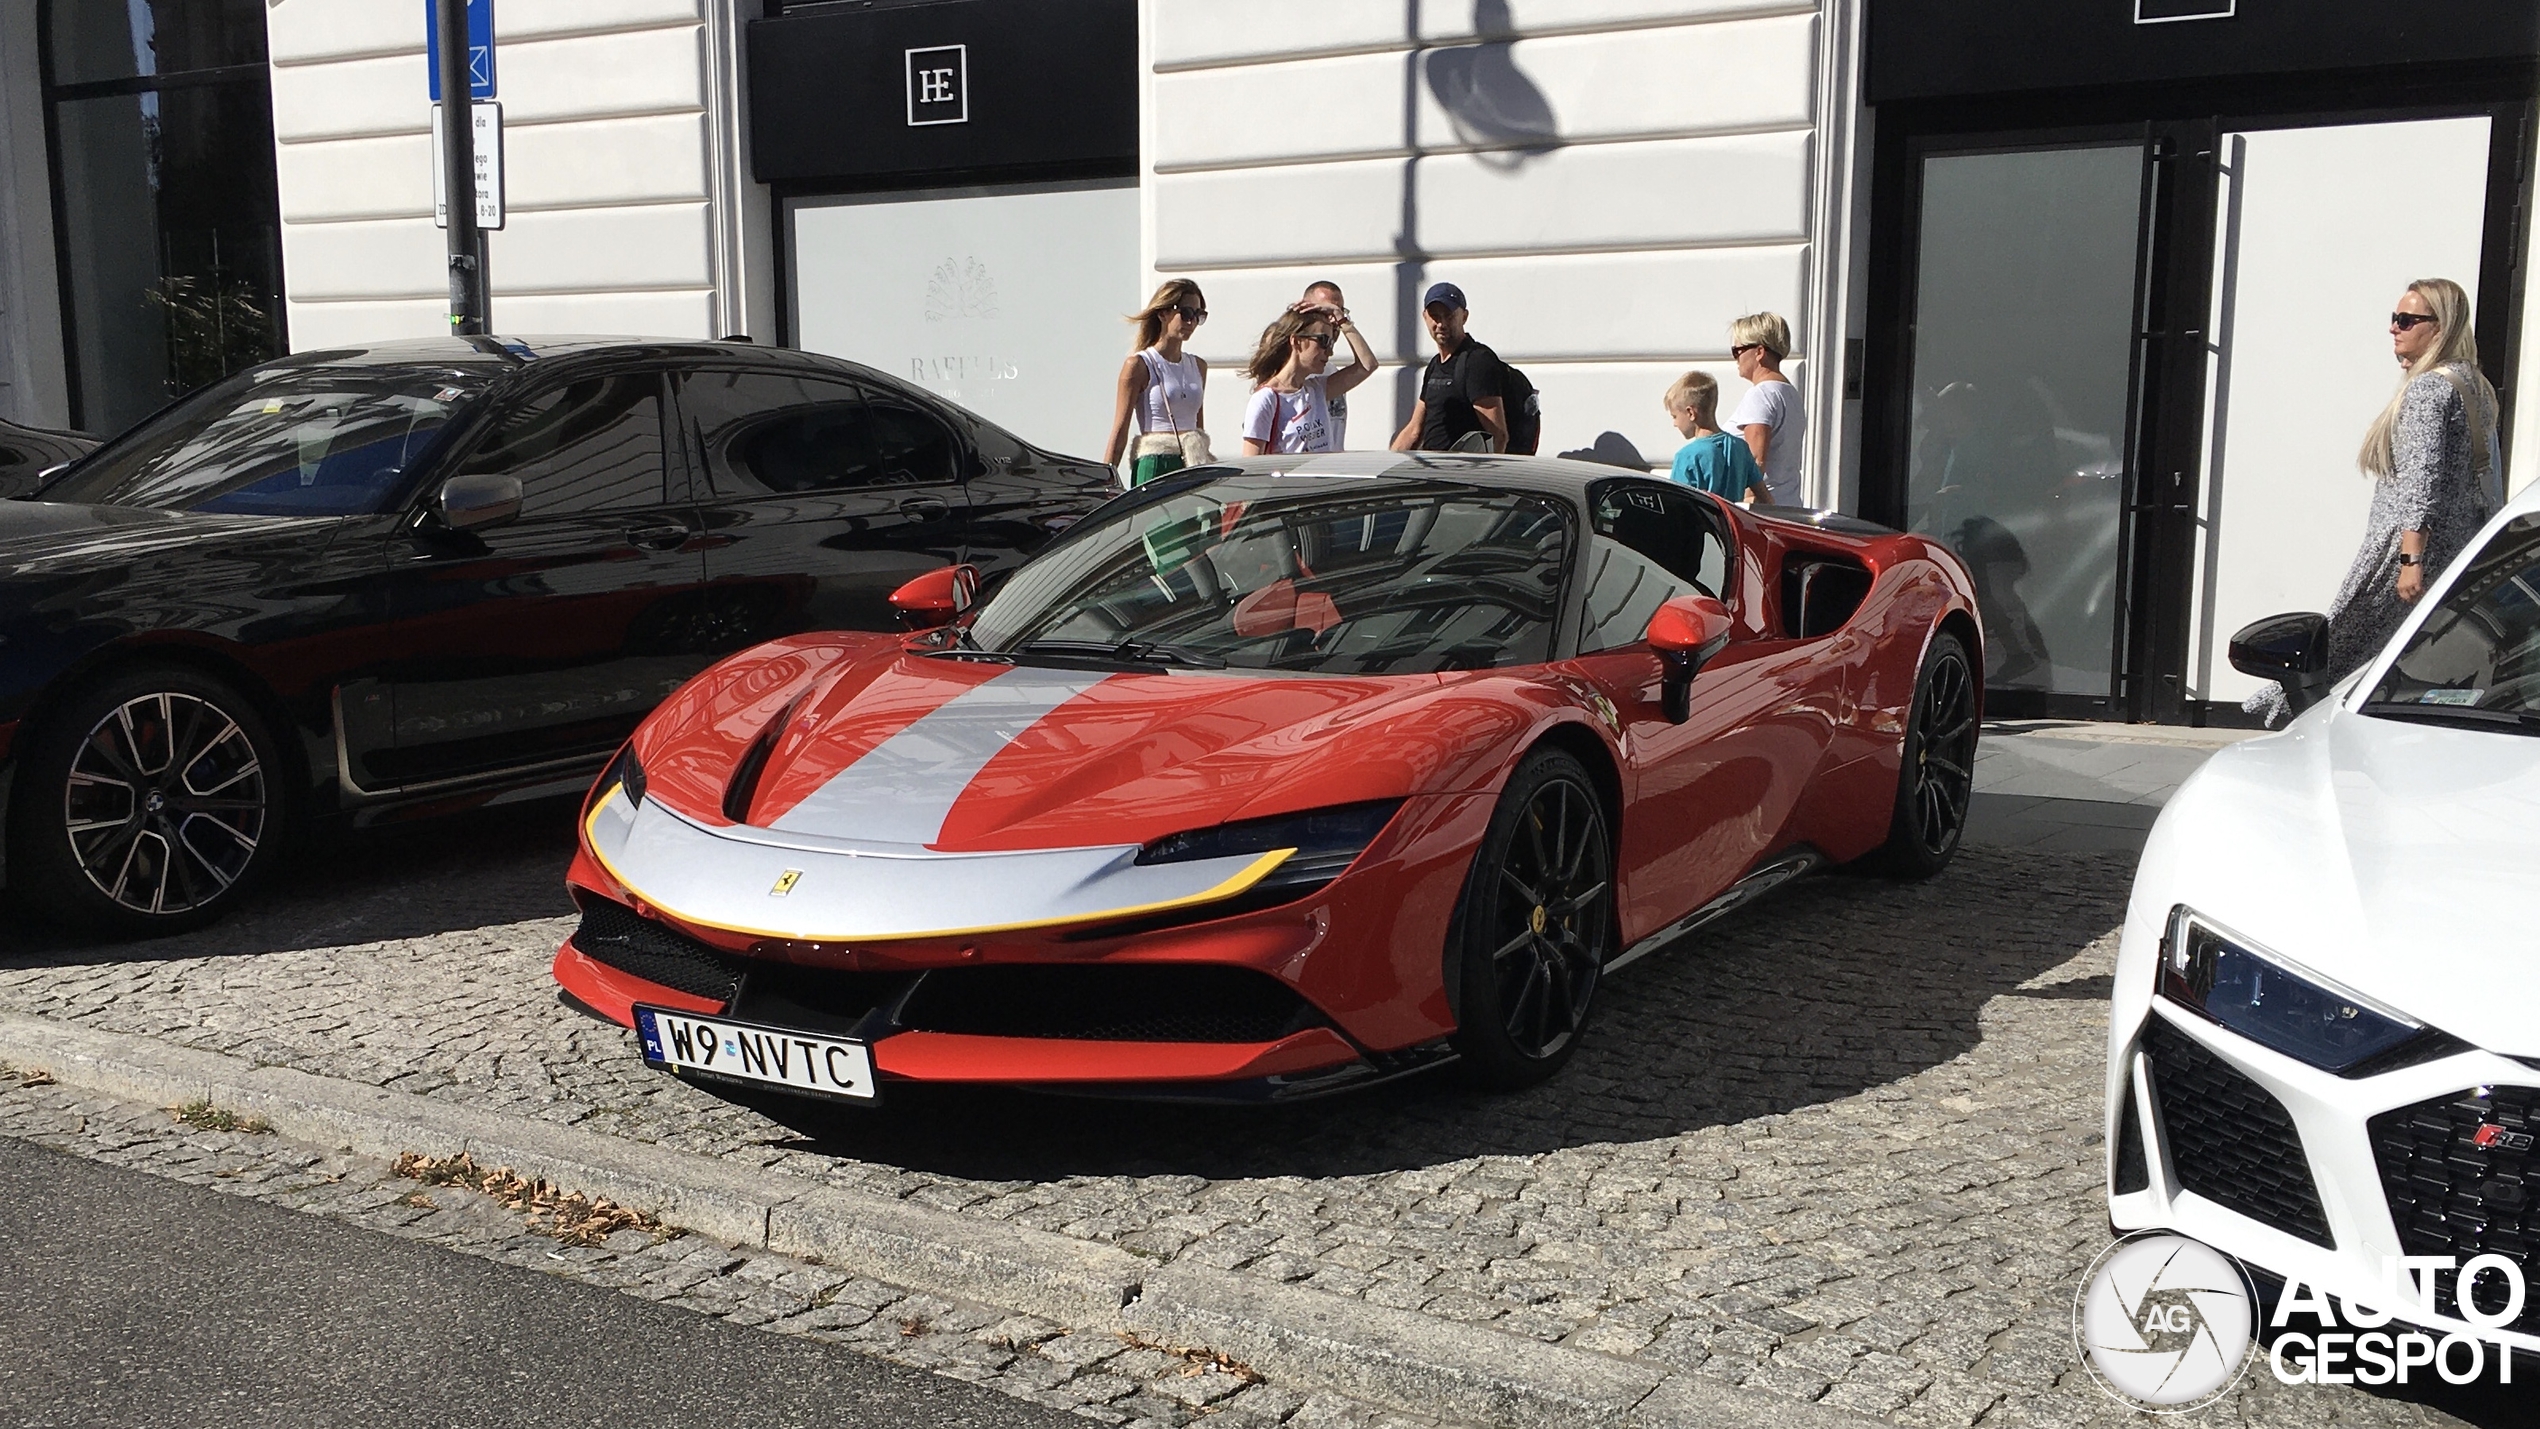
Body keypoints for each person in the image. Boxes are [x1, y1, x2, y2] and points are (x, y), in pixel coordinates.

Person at [2246, 278, 2498, 726]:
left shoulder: (2427, 392)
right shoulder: (2473, 385)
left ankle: (2293, 728)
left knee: (2344, 655)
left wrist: (2409, 560)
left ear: (2439, 328)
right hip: (2457, 546)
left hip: (2408, 553)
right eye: (2394, 318)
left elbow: (2421, 483)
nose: (2393, 329)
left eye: (2406, 320)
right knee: (2405, 659)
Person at [1103, 280, 1210, 487]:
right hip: (1155, 464)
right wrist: (1105, 483)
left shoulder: (1198, 366)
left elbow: (1199, 428)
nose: (1192, 322)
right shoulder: (1139, 365)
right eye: (1186, 313)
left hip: (1192, 465)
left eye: (1199, 315)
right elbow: (1120, 430)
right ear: (1163, 314)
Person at [1242, 303, 1377, 455]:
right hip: (1289, 479)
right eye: (1323, 341)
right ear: (1296, 341)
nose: (1330, 352)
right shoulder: (1266, 398)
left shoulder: (1316, 390)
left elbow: (1368, 365)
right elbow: (1250, 465)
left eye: (1331, 343)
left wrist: (1341, 319)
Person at [1391, 282, 1508, 453]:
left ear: (1464, 316)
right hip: (1433, 472)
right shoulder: (1435, 365)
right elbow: (1414, 430)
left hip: (1461, 473)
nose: (1441, 324)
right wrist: (1387, 467)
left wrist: (1484, 478)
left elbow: (1498, 435)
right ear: (1425, 316)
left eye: (1449, 316)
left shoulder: (1477, 361)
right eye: (1435, 316)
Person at [1727, 311, 1804, 504]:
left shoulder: (1761, 395)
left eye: (1738, 351)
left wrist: (1744, 508)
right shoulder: (1790, 394)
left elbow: (1755, 462)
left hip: (1762, 512)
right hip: (1788, 504)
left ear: (1759, 352)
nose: (1736, 358)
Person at [1661, 371, 1768, 502]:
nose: (1674, 424)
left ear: (1690, 413)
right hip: (1731, 522)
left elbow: (1676, 504)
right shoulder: (1740, 448)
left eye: (1675, 416)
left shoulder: (1687, 456)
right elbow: (1766, 499)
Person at [1302, 279, 1355, 447]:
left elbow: (1368, 364)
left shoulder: (1330, 370)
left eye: (1338, 312)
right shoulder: (1291, 375)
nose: (1333, 321)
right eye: (1326, 311)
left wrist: (1344, 322)